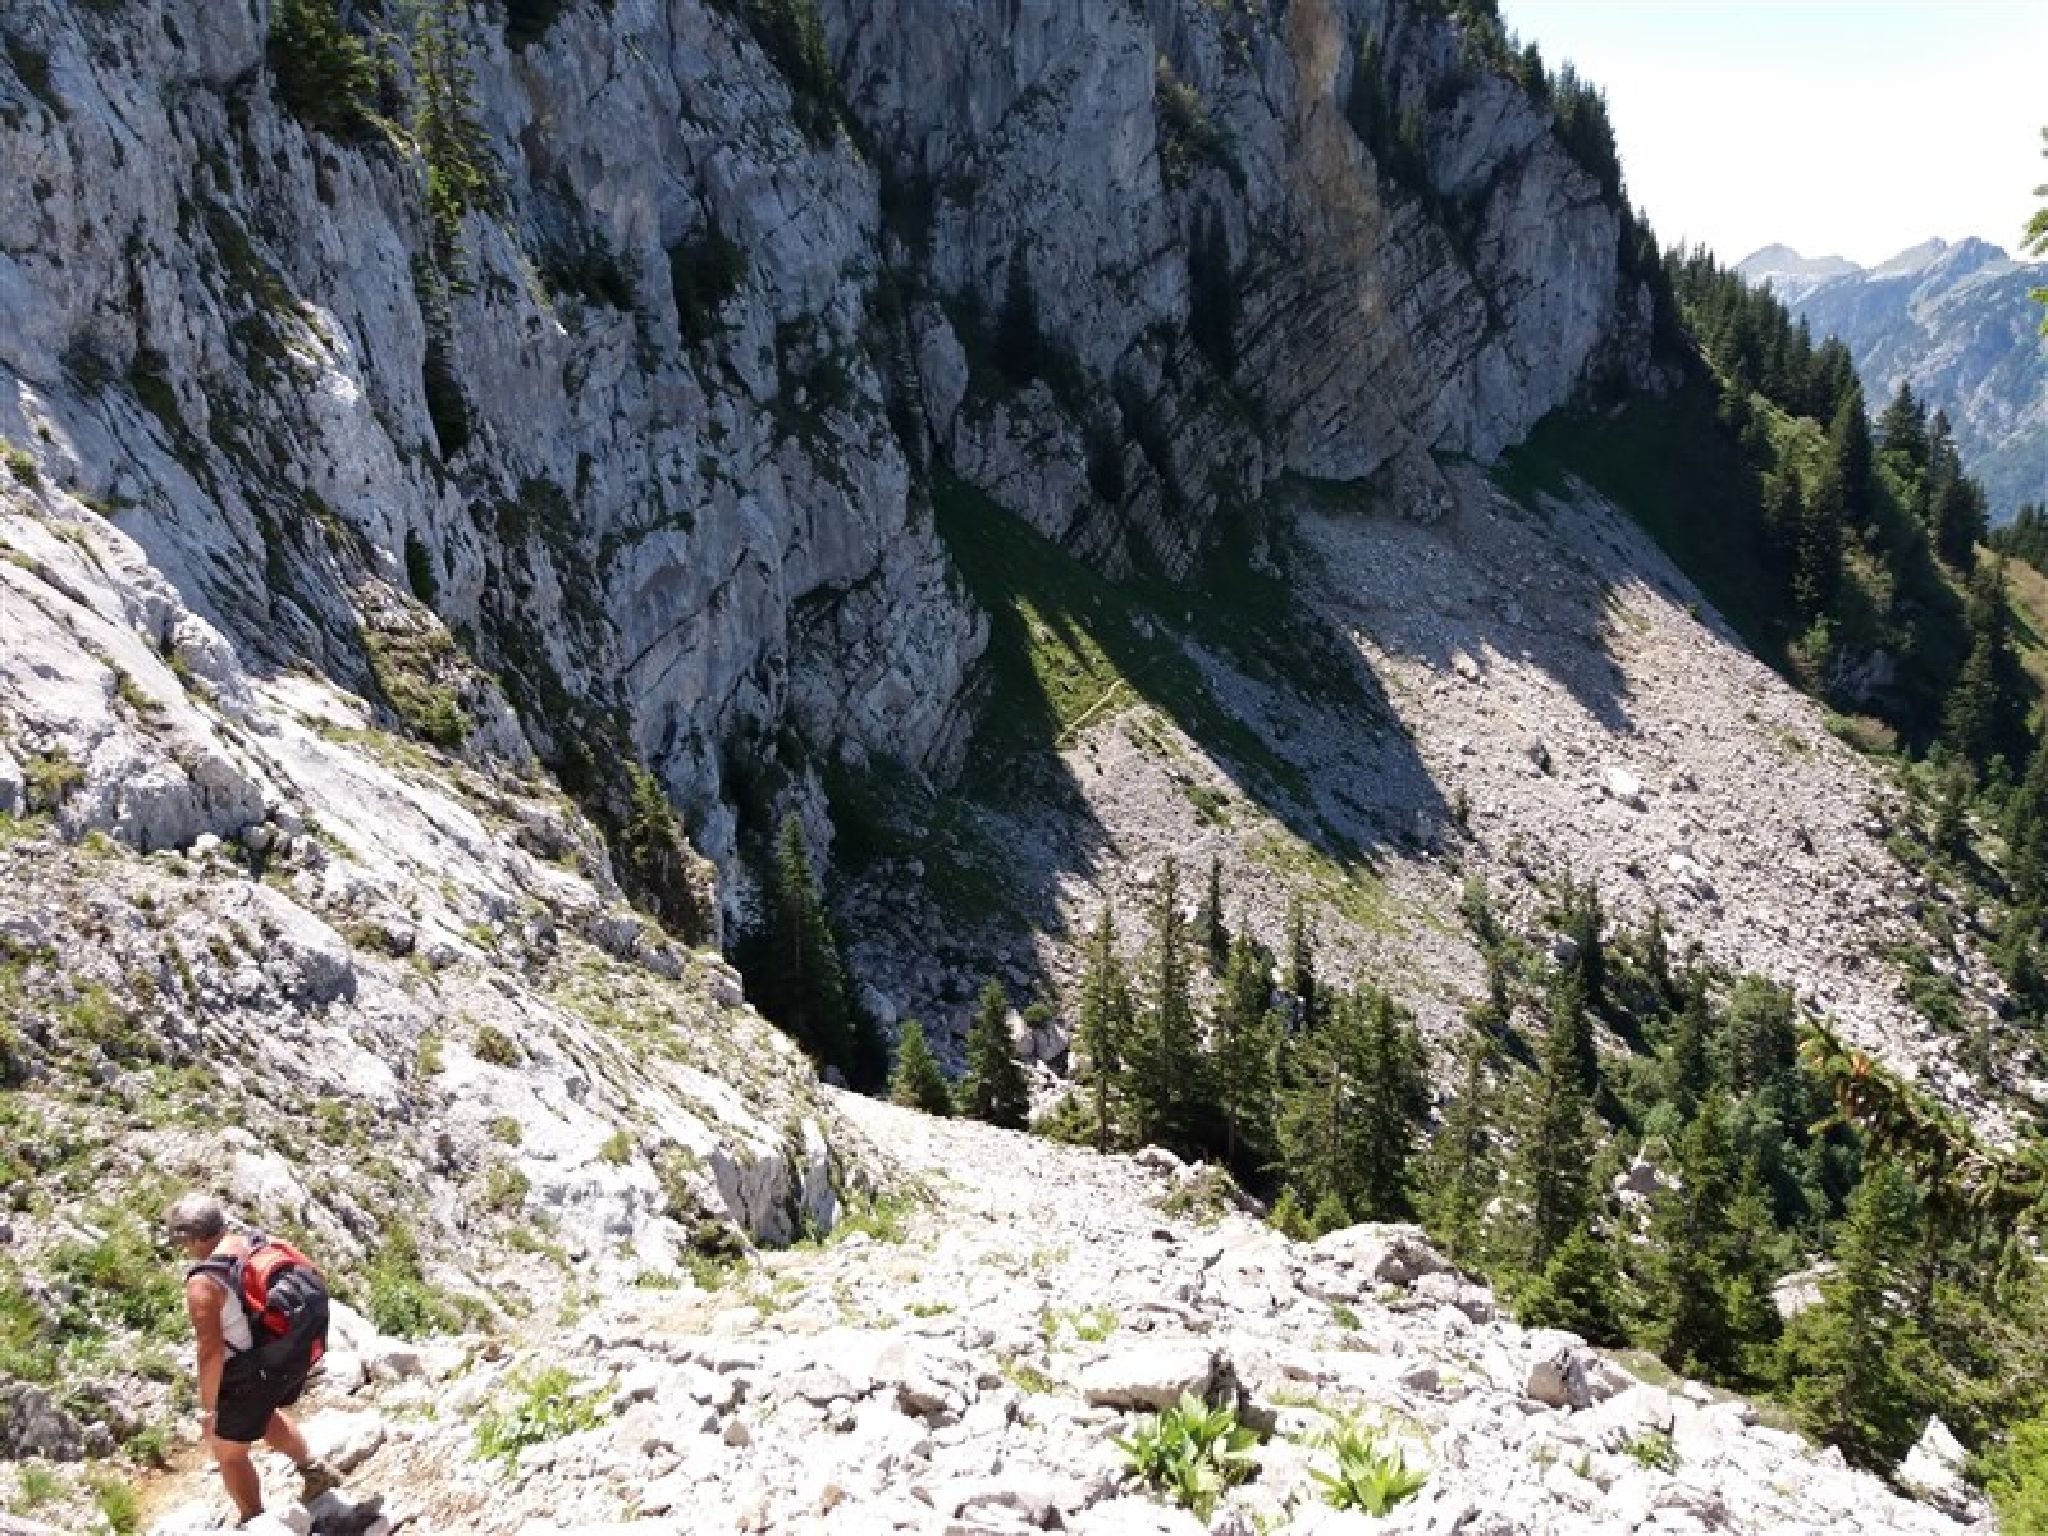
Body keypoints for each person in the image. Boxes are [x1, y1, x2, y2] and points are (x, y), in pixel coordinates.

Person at [165, 1193, 339, 1525]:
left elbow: (210, 1351)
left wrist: (209, 1409)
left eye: (181, 1239)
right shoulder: (255, 1242)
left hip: (247, 1371)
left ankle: (256, 1521)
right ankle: (314, 1471)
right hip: (281, 1354)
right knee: (264, 1413)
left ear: (193, 1238)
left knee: (227, 1450)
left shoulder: (204, 1282)